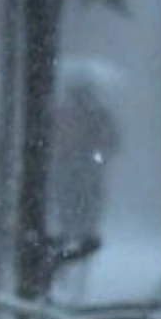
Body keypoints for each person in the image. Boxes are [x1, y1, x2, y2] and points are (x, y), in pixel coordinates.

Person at [49, 78, 120, 239]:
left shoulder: (97, 115)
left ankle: (80, 229)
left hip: (84, 162)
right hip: (70, 162)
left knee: (80, 196)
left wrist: (100, 153)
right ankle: (74, 228)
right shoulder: (65, 113)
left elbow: (112, 140)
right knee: (71, 196)